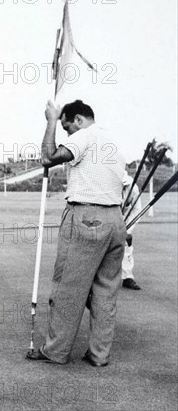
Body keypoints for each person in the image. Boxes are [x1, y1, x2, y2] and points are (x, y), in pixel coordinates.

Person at [27, 100, 126, 367]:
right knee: (105, 293)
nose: (67, 133)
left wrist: (50, 121)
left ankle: (55, 351)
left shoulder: (83, 136)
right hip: (115, 219)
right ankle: (99, 354)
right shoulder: (110, 141)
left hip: (87, 217)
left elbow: (47, 158)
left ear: (79, 120)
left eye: (67, 127)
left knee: (68, 290)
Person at [121, 172, 142, 290]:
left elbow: (136, 210)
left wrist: (127, 229)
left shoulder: (133, 187)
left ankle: (127, 277)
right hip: (108, 217)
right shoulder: (108, 184)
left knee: (127, 246)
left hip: (125, 219)